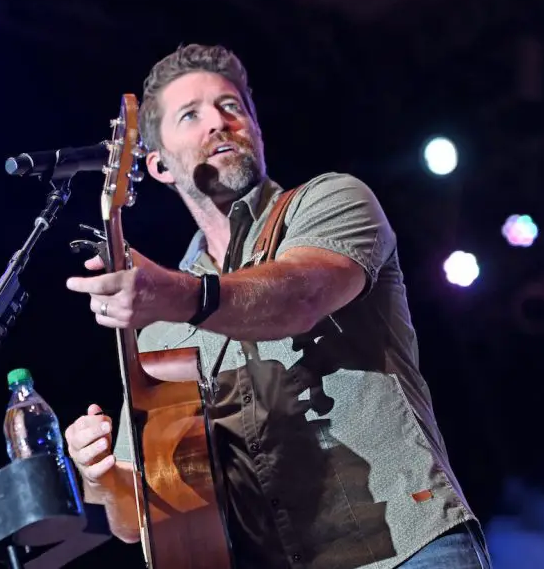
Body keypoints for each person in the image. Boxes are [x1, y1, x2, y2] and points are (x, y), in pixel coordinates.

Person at [63, 44, 492, 569]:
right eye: (190, 115)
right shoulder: (158, 335)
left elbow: (298, 296)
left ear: (256, 130)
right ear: (157, 166)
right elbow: (140, 519)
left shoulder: (331, 200)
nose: (219, 123)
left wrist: (175, 296)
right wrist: (100, 474)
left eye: (231, 106)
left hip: (410, 550)